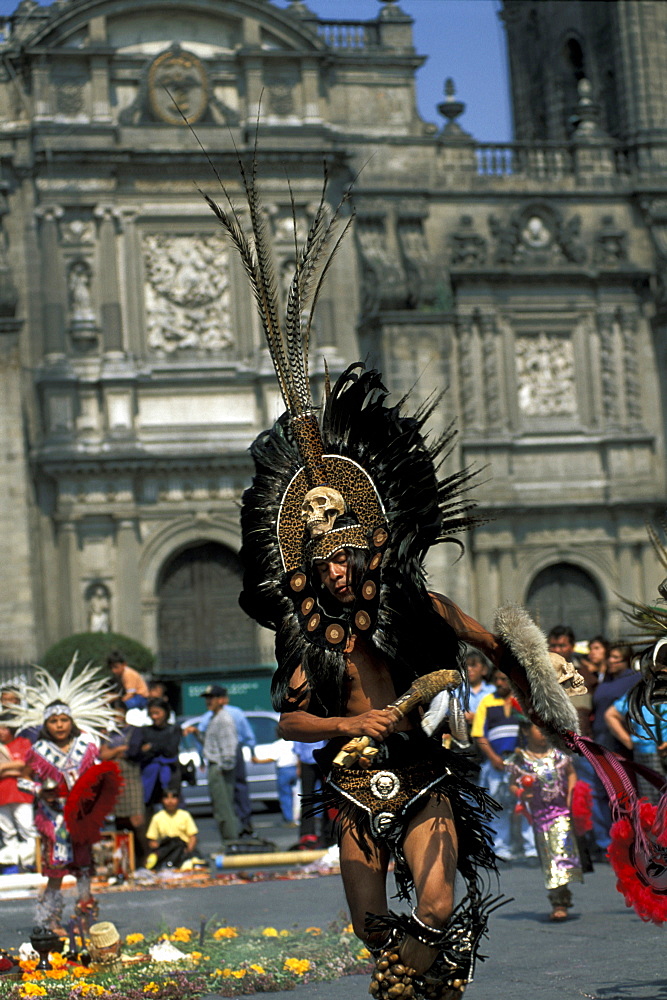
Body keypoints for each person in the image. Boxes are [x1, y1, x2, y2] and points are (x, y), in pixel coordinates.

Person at [210, 156, 583, 999]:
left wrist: (544, 699)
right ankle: (414, 980)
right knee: (373, 932)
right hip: (350, 784)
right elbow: (293, 715)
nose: (337, 570)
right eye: (324, 559)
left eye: (347, 554)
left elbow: (496, 647)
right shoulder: (306, 636)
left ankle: (433, 974)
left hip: (419, 772)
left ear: (369, 548)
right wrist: (356, 719)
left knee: (442, 901)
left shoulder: (418, 606)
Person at [507, 720, 583, 921]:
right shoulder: (520, 759)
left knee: (560, 855)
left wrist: (572, 794)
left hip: (561, 814)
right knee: (549, 859)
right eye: (538, 730)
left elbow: (571, 774)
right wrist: (522, 794)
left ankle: (560, 902)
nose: (542, 734)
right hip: (539, 817)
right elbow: (512, 785)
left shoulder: (559, 754)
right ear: (525, 730)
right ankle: (560, 899)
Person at [471, 669, 538, 863]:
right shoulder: (487, 702)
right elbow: (479, 734)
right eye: (497, 680)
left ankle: (531, 849)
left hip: (522, 763)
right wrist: (492, 758)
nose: (499, 683)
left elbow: (531, 731)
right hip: (497, 764)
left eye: (504, 679)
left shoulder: (522, 703)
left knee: (526, 803)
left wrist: (526, 756)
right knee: (498, 805)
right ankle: (502, 848)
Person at [99, 701, 148, 868]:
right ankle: (126, 860)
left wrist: (118, 752)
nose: (116, 717)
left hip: (131, 777)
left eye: (119, 713)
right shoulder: (109, 734)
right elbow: (103, 754)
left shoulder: (135, 730)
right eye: (114, 715)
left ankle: (143, 858)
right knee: (120, 820)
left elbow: (133, 751)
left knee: (137, 819)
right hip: (115, 777)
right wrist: (118, 750)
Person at [127, 697, 181, 822]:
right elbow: (138, 752)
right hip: (149, 774)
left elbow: (170, 750)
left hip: (169, 773)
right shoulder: (145, 730)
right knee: (148, 806)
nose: (154, 717)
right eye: (151, 714)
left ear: (165, 713)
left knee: (171, 804)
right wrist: (155, 748)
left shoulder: (174, 729)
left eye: (157, 713)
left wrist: (151, 746)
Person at [200, 685, 238, 848]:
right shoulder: (213, 718)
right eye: (207, 698)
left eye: (213, 698)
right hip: (215, 765)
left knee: (224, 808)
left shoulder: (224, 718)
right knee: (219, 807)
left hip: (220, 768)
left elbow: (229, 747)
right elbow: (213, 744)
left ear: (222, 700)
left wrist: (224, 768)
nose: (209, 701)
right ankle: (228, 841)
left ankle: (231, 842)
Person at [0, 719, 36, 871]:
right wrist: (14, 768)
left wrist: (3, 768)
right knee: (7, 833)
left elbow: (24, 764)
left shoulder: (23, 742)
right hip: (2, 795)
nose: (1, 732)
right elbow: (18, 766)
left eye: (4, 728)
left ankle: (32, 862)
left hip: (21, 793)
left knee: (27, 828)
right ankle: (12, 866)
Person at [145, 788, 200, 871]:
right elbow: (152, 840)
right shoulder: (157, 818)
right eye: (166, 798)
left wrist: (187, 851)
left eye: (173, 798)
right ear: (162, 800)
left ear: (178, 800)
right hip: (166, 850)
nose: (170, 801)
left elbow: (193, 837)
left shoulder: (185, 815)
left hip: (182, 849)